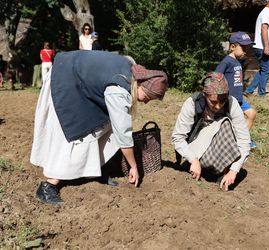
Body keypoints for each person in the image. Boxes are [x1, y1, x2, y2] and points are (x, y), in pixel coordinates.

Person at [30, 50, 168, 205]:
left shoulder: (132, 71)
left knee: (106, 123)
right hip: (67, 78)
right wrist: (134, 166)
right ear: (141, 85)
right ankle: (48, 185)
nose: (146, 102)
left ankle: (93, 170)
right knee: (82, 131)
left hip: (80, 80)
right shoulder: (119, 87)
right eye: (147, 97)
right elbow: (123, 133)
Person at [172, 72, 250, 191]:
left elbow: (244, 140)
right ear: (204, 95)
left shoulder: (231, 103)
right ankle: (203, 167)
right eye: (213, 102)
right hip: (196, 147)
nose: (218, 106)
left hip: (219, 145)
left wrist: (234, 170)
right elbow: (178, 138)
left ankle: (222, 172)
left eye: (222, 100)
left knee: (225, 124)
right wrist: (193, 159)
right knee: (223, 123)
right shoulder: (193, 103)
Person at [216, 31, 257, 149]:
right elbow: (216, 77)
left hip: (239, 98)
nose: (245, 50)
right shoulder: (226, 61)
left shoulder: (237, 61)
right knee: (231, 122)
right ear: (232, 47)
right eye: (243, 47)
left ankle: (244, 138)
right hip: (230, 100)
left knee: (251, 113)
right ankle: (234, 141)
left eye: (247, 48)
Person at [244, 0, 269, 97]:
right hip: (262, 47)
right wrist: (267, 46)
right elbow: (264, 29)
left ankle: (249, 91)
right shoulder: (266, 13)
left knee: (263, 70)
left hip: (262, 47)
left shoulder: (268, 12)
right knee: (267, 71)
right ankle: (261, 94)